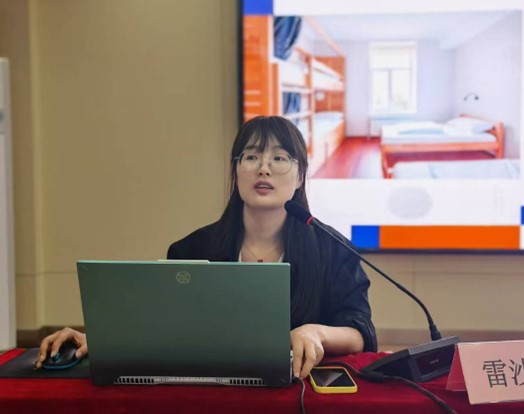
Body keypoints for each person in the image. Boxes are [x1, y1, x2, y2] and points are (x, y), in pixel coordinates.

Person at [36, 115, 377, 380]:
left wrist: (315, 332)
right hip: (210, 392)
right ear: (236, 170)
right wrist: (100, 339)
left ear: (300, 176)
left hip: (296, 392)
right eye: (251, 156)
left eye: (280, 157)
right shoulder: (191, 249)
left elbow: (360, 331)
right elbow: (165, 327)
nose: (264, 168)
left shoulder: (333, 249)